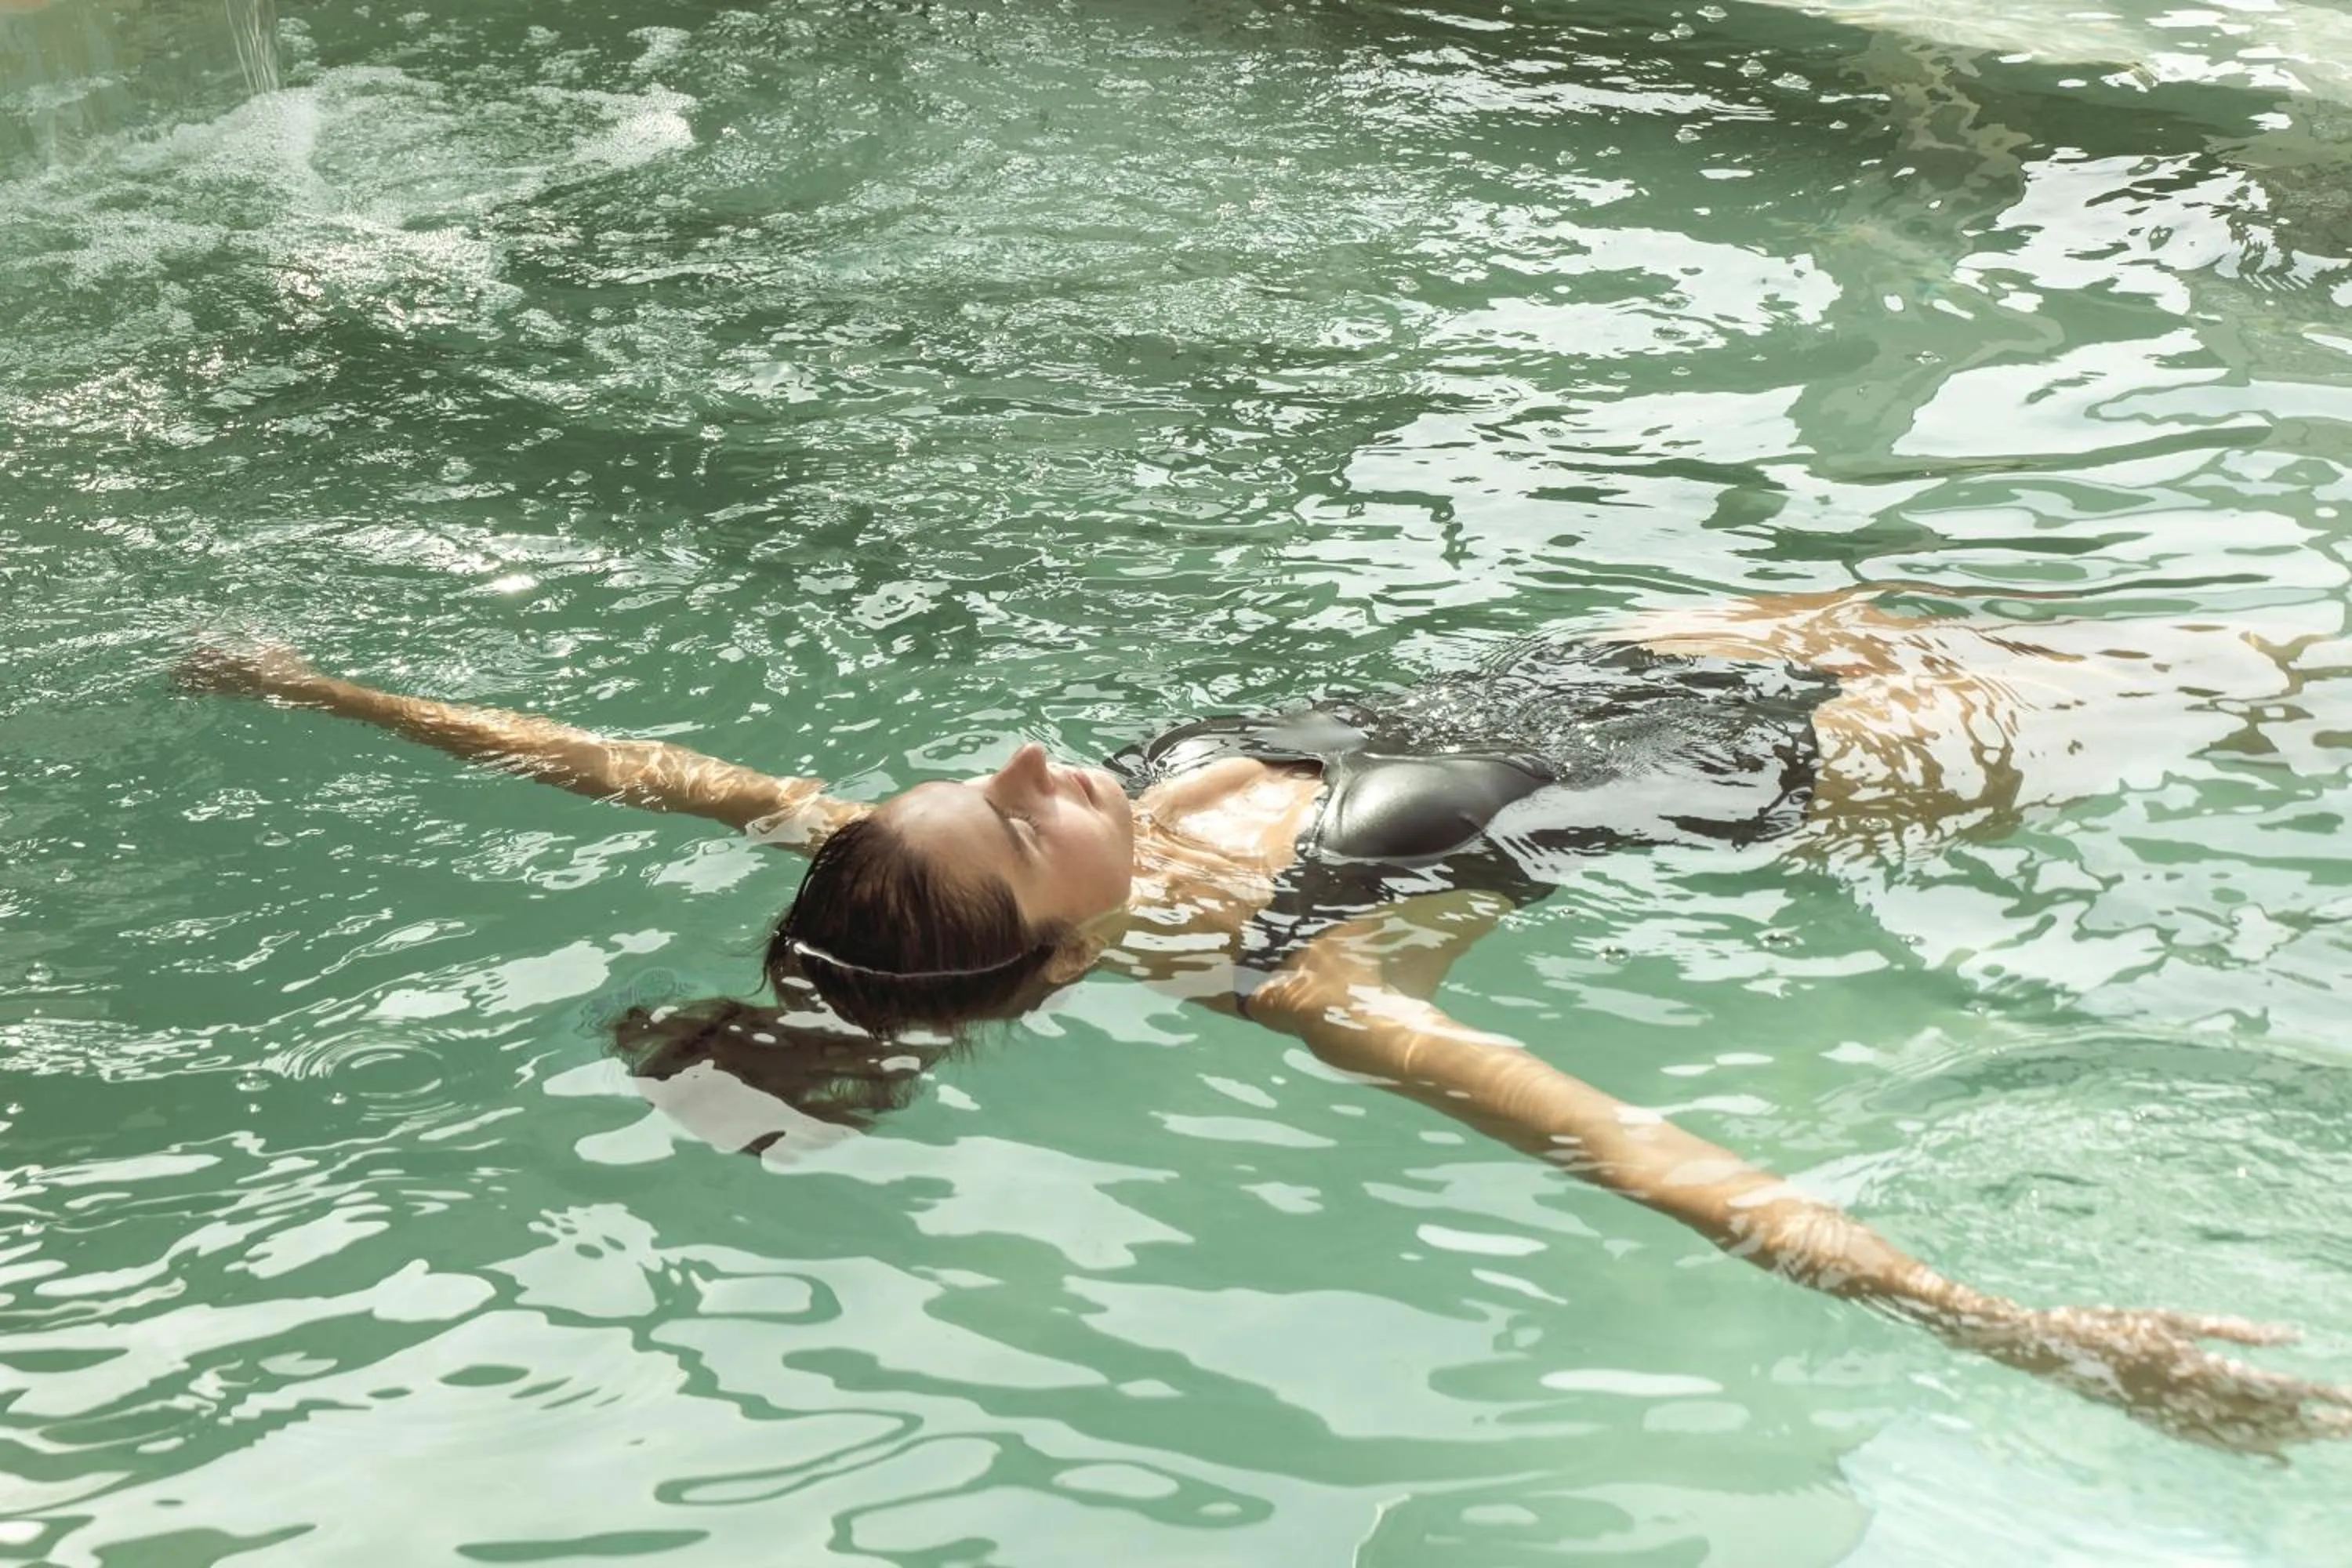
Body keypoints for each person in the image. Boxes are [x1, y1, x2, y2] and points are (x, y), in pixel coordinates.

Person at [179, 585, 2352, 1455]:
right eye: (1032, 821)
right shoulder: (1315, 977)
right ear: (1042, 955)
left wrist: (319, 690)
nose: (1042, 759)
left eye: (998, 772)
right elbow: (1655, 1168)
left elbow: (618, 759)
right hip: (1833, 763)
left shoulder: (965, 862)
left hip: (1707, 651)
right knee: (2280, 679)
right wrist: (2038, 1332)